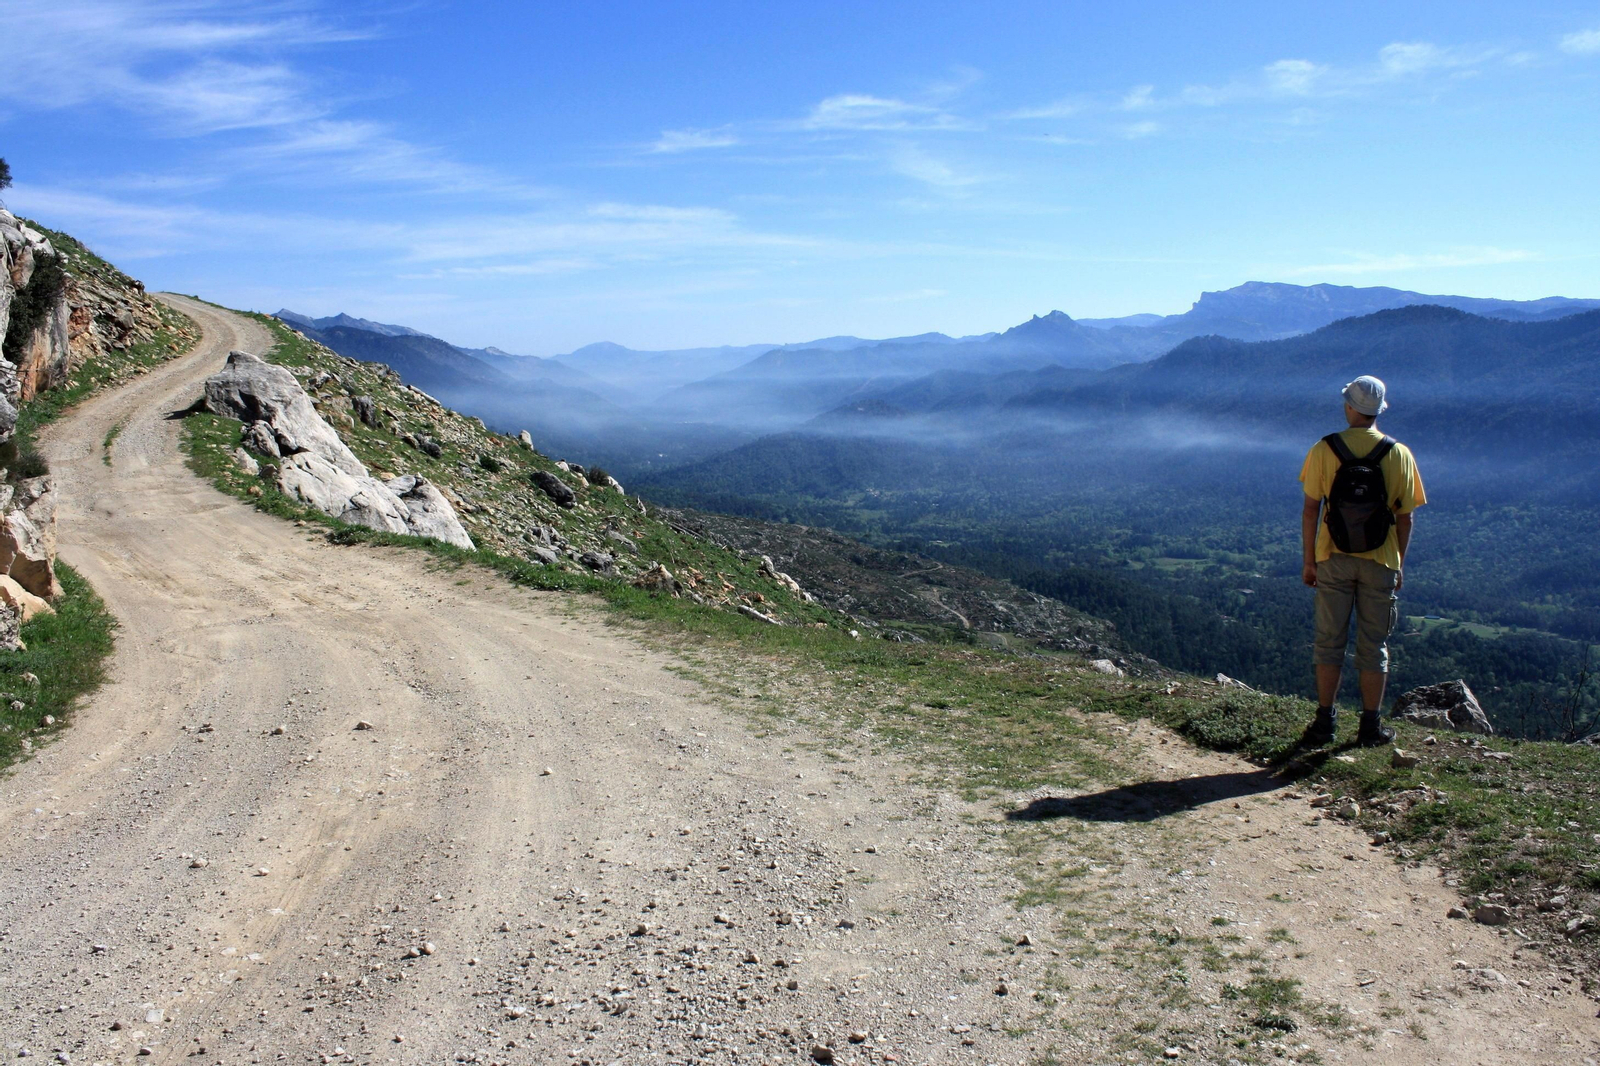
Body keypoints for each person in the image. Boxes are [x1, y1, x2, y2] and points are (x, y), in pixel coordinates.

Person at [1298, 375, 1426, 746]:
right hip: (1380, 560)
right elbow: (1406, 517)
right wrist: (1397, 562)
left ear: (1349, 407)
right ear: (1378, 410)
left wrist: (1310, 561)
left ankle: (1325, 722)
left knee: (1328, 642)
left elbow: (1310, 510)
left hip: (1333, 557)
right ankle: (1370, 727)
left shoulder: (1325, 449)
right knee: (1374, 645)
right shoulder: (1399, 454)